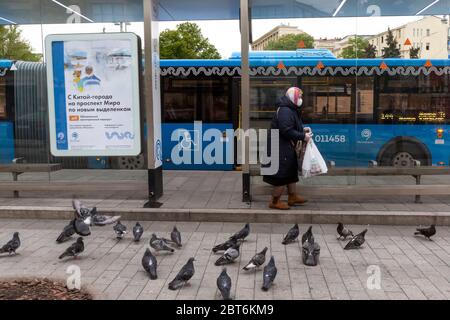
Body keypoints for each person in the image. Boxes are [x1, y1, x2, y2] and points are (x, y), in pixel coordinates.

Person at [263, 87, 313, 210]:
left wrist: (302, 130)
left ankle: (292, 196)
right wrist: (302, 136)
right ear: (293, 98)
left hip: (284, 146)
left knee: (290, 171)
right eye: (299, 97)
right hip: (280, 147)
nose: (301, 100)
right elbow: (286, 130)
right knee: (283, 174)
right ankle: (274, 201)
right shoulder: (286, 110)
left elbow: (290, 126)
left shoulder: (290, 108)